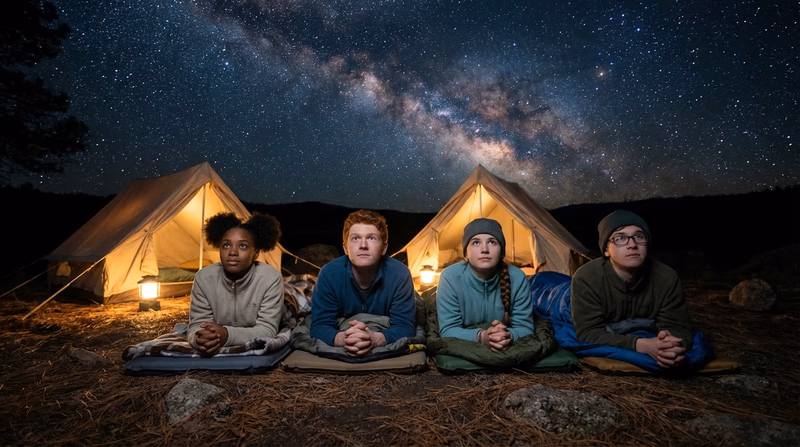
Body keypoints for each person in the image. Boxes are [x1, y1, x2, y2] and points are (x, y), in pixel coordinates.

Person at [571, 210, 693, 368]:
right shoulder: (586, 278)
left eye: (639, 237)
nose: (632, 244)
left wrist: (670, 344)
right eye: (620, 238)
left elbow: (678, 326)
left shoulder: (666, 278)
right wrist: (640, 345)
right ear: (606, 250)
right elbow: (588, 332)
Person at [309, 209, 416, 357]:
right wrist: (342, 339)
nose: (363, 245)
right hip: (347, 330)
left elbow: (405, 326)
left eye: (371, 238)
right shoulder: (329, 274)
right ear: (345, 248)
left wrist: (377, 339)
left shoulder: (400, 275)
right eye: (355, 238)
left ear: (384, 248)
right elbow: (320, 325)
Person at [187, 212, 284, 356]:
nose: (232, 252)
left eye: (243, 246)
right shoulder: (204, 278)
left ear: (256, 253)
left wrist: (226, 335)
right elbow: (197, 324)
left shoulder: (270, 279)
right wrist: (199, 339)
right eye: (226, 245)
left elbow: (267, 330)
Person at [436, 218, 535, 351]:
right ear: (466, 253)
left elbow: (525, 328)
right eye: (476, 242)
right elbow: (448, 329)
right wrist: (481, 336)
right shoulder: (450, 277)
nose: (484, 249)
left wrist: (507, 336)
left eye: (492, 242)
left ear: (502, 252)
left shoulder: (518, 278)